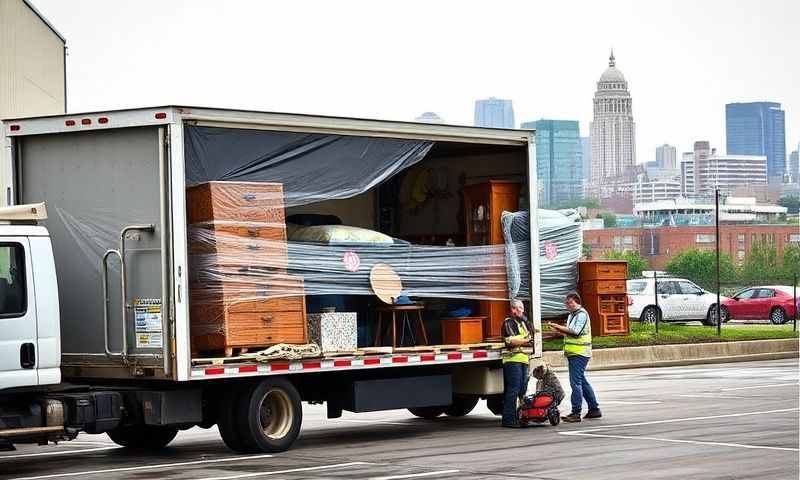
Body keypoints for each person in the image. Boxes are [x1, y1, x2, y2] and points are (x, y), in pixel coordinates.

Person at [547, 292, 601, 423]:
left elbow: (575, 332)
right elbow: (570, 332)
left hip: (580, 353)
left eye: (570, 302)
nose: (567, 305)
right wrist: (557, 332)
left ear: (577, 302)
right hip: (576, 353)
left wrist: (558, 327)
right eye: (566, 303)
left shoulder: (581, 314)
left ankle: (576, 413)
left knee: (575, 383)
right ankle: (594, 409)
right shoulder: (573, 315)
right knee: (581, 381)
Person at [500, 299, 535, 427]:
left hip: (524, 359)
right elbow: (511, 341)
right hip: (512, 359)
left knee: (522, 390)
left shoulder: (523, 323)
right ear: (512, 309)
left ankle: (520, 415)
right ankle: (508, 420)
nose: (520, 310)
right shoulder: (508, 322)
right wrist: (526, 341)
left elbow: (531, 336)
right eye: (518, 308)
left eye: (521, 308)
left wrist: (526, 339)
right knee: (513, 389)